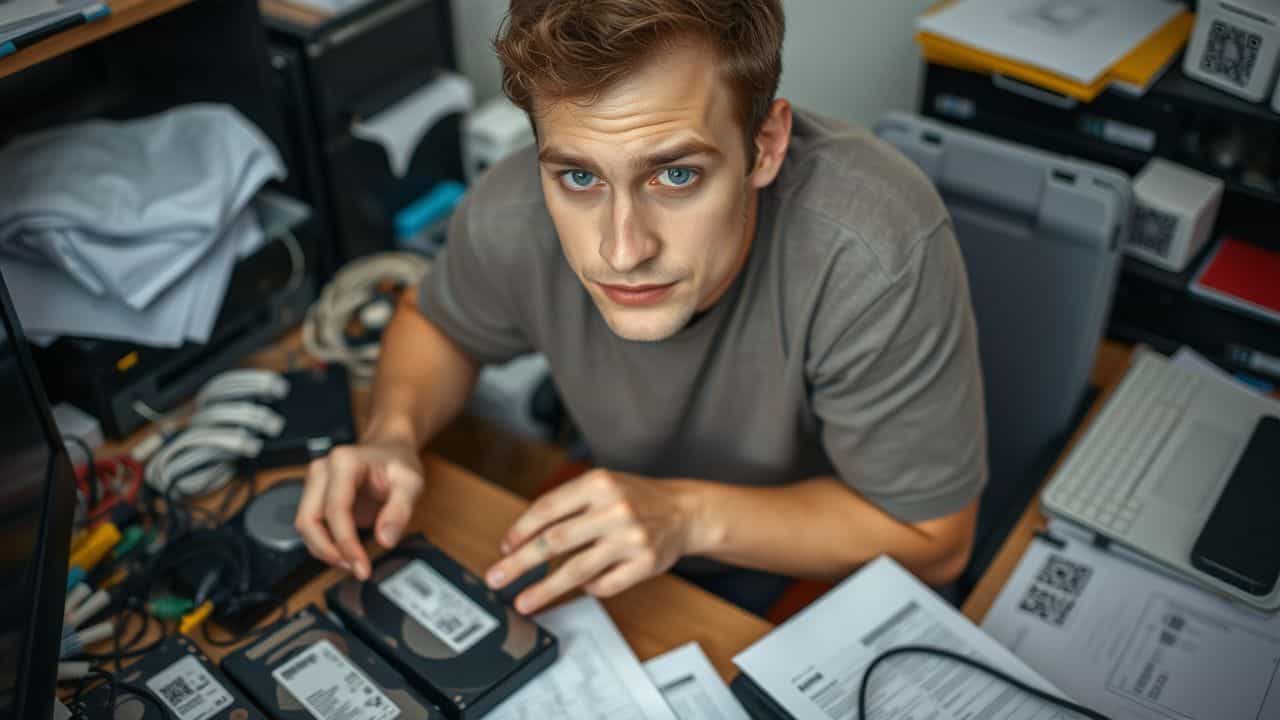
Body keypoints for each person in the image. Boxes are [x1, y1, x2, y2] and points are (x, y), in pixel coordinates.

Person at [295, 0, 987, 617]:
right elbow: (438, 323)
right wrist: (392, 433)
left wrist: (684, 517)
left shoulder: (875, 245)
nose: (621, 250)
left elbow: (935, 540)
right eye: (579, 176)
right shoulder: (512, 209)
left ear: (764, 146)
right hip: (633, 529)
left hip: (825, 559)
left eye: (676, 174)